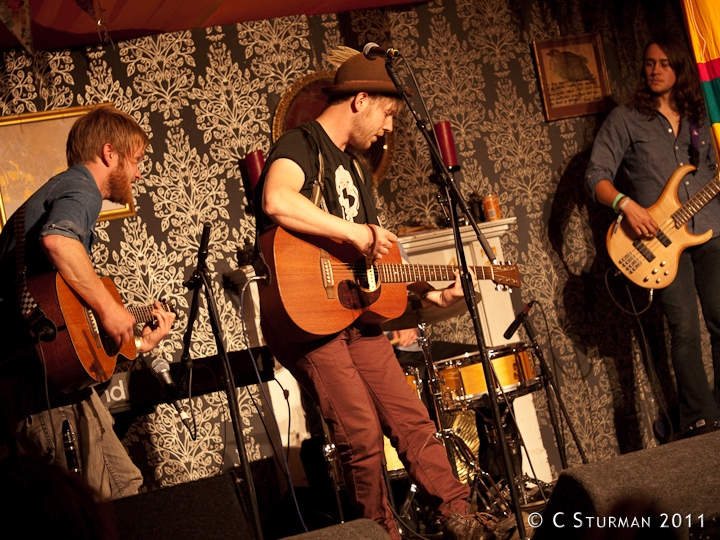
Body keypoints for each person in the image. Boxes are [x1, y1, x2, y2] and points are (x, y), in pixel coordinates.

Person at [254, 52, 503, 540]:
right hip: (309, 320)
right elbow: (277, 200)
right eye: (387, 114)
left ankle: (459, 516)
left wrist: (424, 295)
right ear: (360, 100)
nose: (389, 128)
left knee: (412, 419)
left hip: (355, 317)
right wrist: (360, 233)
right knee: (361, 436)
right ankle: (380, 534)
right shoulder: (300, 144)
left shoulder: (356, 169)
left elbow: (368, 270)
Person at [0, 105, 176, 500]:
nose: (139, 172)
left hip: (42, 388)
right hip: (40, 394)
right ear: (110, 154)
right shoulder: (81, 186)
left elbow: (66, 333)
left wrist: (135, 344)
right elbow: (59, 239)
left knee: (114, 489)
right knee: (109, 498)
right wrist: (111, 308)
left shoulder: (50, 193)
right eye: (136, 160)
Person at [586, 36, 720, 439]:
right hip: (659, 243)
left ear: (679, 67)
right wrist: (626, 205)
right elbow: (596, 177)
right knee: (684, 330)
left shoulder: (702, 119)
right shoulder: (626, 119)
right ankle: (701, 420)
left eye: (664, 63)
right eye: (649, 63)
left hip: (711, 230)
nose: (655, 70)